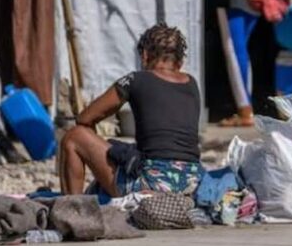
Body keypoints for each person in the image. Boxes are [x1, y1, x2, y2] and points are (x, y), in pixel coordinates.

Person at [57, 24, 203, 196]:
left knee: (74, 136)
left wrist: (95, 153)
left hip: (150, 184)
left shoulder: (136, 79)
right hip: (191, 184)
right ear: (180, 62)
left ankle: (72, 208)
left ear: (145, 56)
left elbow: (85, 118)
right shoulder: (192, 84)